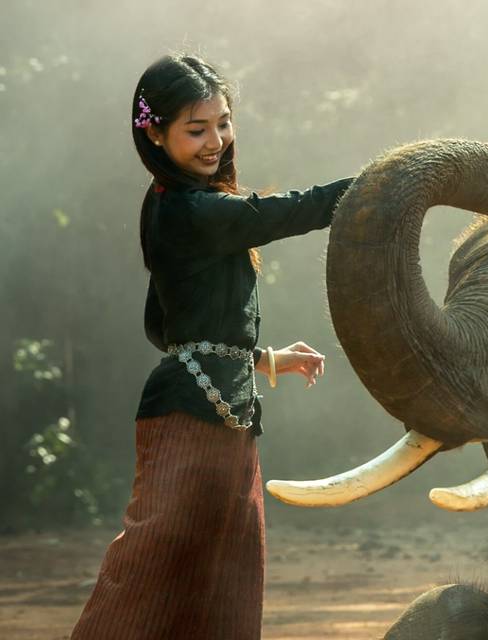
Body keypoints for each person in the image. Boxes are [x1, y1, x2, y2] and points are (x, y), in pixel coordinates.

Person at [70, 53, 353, 639]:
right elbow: (295, 210)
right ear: (154, 132)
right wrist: (402, 178)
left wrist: (261, 358)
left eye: (223, 122)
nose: (215, 141)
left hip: (227, 411)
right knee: (146, 573)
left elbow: (164, 325)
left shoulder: (184, 205)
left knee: (228, 582)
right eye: (196, 129)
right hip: (187, 417)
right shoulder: (185, 208)